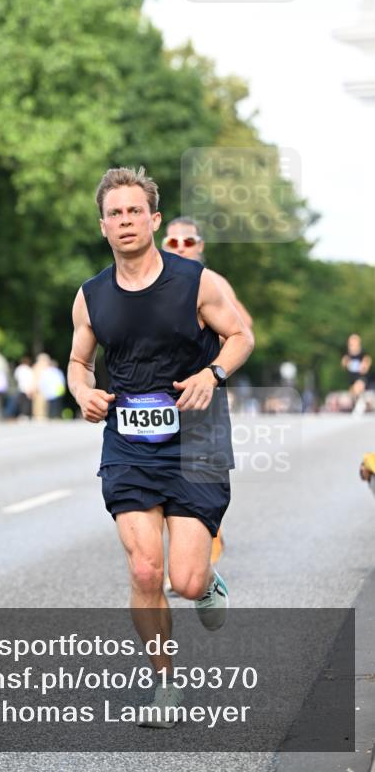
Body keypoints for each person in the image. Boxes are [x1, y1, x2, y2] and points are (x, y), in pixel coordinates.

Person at [68, 166, 254, 726]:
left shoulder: (197, 282)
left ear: (152, 219)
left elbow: (241, 335)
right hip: (129, 441)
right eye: (114, 213)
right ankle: (165, 684)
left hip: (196, 438)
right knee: (147, 571)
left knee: (186, 579)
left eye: (134, 211)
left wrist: (213, 375)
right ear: (103, 226)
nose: (125, 221)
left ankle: (207, 583)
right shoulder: (91, 295)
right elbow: (78, 362)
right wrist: (83, 392)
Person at [162, 216, 254, 565]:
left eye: (188, 242)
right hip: (163, 393)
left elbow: (242, 328)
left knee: (201, 475)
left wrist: (211, 363)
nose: (181, 248)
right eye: (173, 243)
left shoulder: (211, 281)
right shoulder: (154, 280)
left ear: (200, 246)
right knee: (162, 477)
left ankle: (207, 547)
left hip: (204, 387)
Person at [341, 334, 372, 414]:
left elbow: (366, 364)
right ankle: (364, 403)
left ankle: (361, 405)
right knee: (352, 393)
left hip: (362, 378)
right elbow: (343, 364)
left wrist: (363, 366)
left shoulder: (363, 354)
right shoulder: (348, 355)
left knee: (358, 386)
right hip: (352, 379)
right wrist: (346, 363)